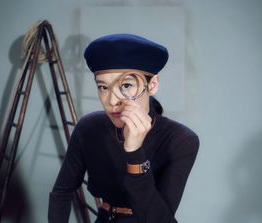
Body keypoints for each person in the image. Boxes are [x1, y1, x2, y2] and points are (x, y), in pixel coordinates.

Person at [48, 33, 199, 223]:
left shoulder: (181, 140)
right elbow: (61, 193)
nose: (112, 101)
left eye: (126, 85)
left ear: (152, 85)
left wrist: (134, 152)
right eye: (103, 87)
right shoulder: (88, 128)